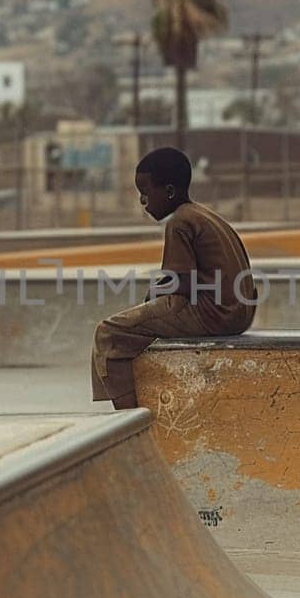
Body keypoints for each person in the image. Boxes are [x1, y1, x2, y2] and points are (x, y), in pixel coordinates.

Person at [91, 148, 256, 409]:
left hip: (212, 314)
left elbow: (180, 284)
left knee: (109, 333)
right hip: (239, 314)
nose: (143, 201)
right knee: (141, 319)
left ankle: (129, 419)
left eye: (145, 192)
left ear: (168, 192)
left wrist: (151, 297)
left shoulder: (179, 222)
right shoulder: (205, 215)